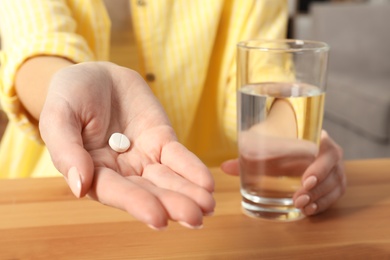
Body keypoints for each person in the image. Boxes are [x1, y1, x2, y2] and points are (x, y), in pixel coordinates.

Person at [0, 0, 346, 230]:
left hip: (206, 204)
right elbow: (34, 44)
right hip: (47, 195)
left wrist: (294, 140)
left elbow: (262, 74)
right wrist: (64, 90)